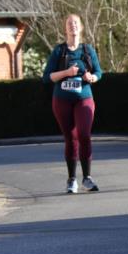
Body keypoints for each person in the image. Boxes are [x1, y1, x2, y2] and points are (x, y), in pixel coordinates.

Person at [42, 14, 103, 194]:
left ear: (81, 27)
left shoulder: (87, 50)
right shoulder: (59, 51)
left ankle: (87, 178)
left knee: (84, 134)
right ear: (65, 28)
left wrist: (92, 77)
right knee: (71, 138)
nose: (72, 26)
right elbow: (47, 77)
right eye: (69, 23)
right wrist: (67, 73)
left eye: (75, 23)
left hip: (84, 98)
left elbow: (99, 72)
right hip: (62, 100)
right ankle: (71, 179)